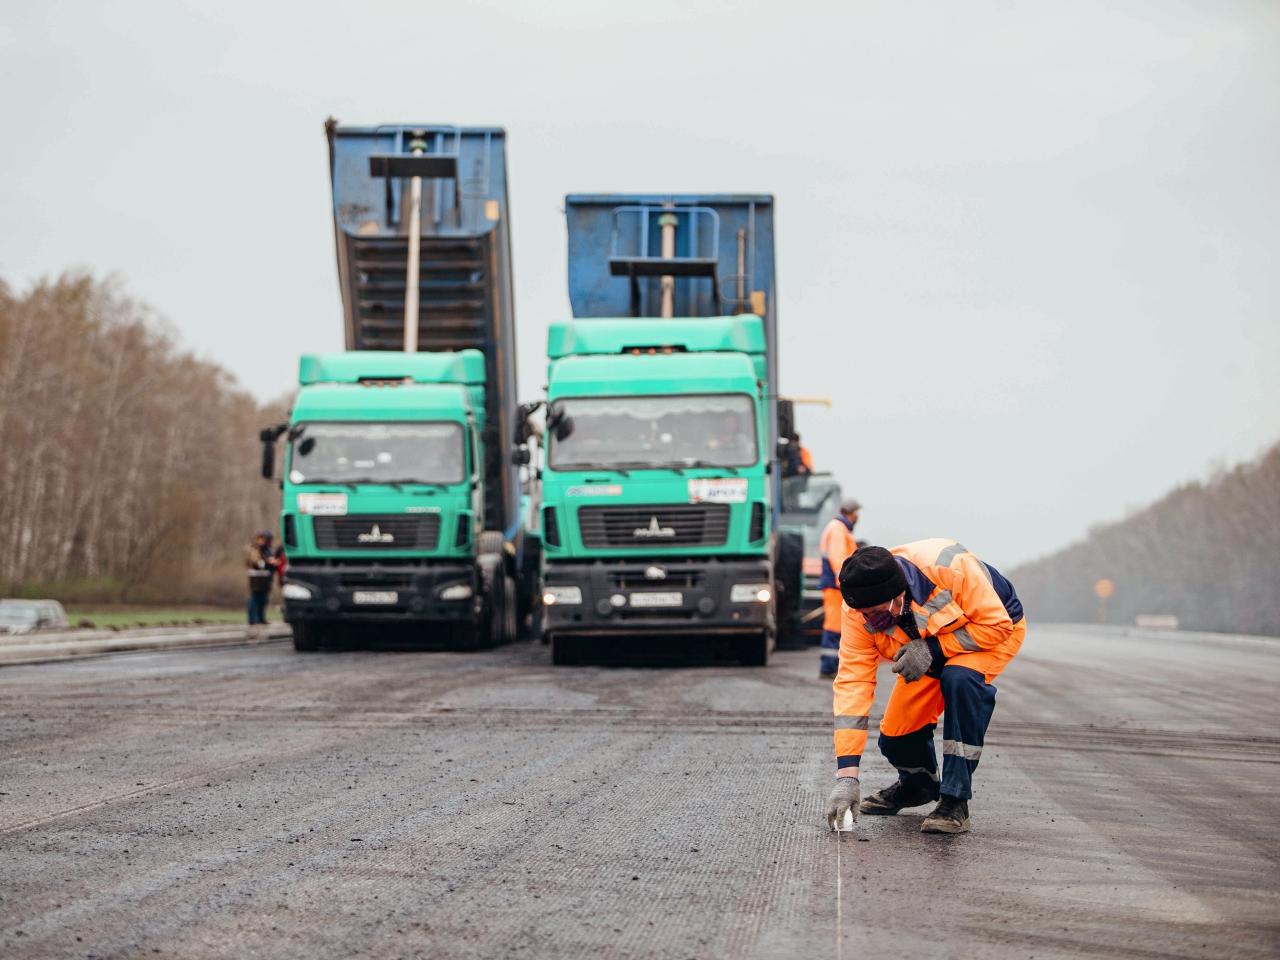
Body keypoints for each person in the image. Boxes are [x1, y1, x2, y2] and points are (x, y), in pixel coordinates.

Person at [825, 540, 1026, 834]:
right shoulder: (857, 610)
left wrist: (933, 649)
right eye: (867, 615)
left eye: (881, 612)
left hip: (992, 631)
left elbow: (997, 625)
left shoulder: (949, 567)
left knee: (959, 679)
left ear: (900, 593)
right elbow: (853, 683)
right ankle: (917, 787)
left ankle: (955, 801)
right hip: (928, 643)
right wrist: (847, 777)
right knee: (896, 735)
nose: (874, 621)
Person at [817, 499, 861, 679]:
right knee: (834, 626)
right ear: (851, 513)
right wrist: (844, 580)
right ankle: (828, 668)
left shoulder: (837, 528)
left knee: (837, 625)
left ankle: (832, 667)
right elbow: (838, 557)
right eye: (857, 513)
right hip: (836, 586)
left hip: (835, 585)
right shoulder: (838, 529)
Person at [246, 531, 280, 625]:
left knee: (263, 599)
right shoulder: (255, 549)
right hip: (256, 578)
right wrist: (268, 562)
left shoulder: (268, 550)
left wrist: (273, 563)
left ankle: (261, 618)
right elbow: (256, 563)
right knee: (255, 598)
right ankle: (253, 620)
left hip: (265, 578)